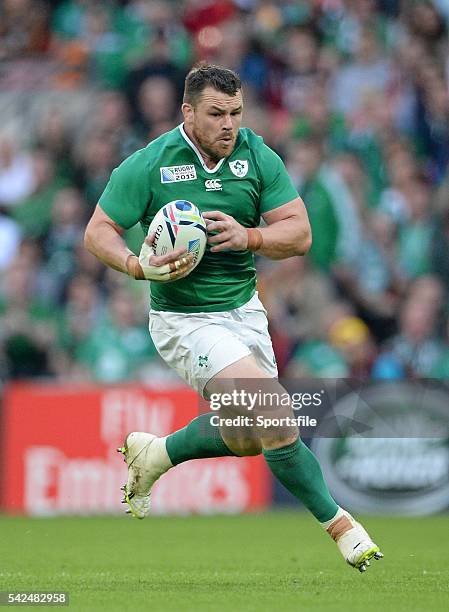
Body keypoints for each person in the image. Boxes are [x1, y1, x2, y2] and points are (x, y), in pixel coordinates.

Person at [84, 63, 383, 573]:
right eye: (217, 113)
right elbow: (98, 231)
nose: (229, 124)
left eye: (236, 112)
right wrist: (136, 264)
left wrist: (252, 236)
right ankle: (341, 527)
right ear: (188, 113)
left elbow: (300, 233)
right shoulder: (150, 163)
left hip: (244, 313)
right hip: (184, 319)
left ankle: (157, 454)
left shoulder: (256, 154)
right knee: (275, 411)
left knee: (249, 436)